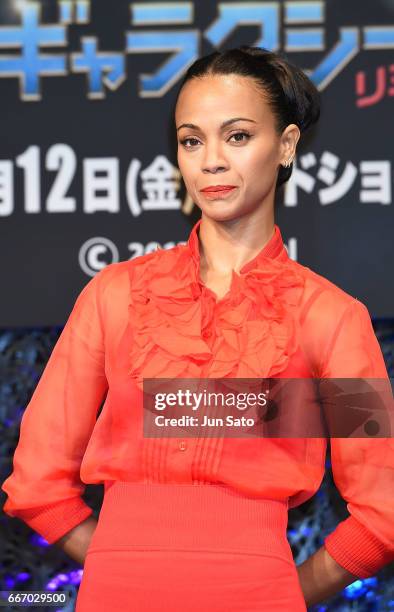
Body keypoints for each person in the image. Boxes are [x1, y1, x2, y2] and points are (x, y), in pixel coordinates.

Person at [2, 45, 394, 611]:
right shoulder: (113, 295)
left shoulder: (333, 316)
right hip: (118, 593)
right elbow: (36, 481)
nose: (210, 160)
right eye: (192, 140)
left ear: (285, 145)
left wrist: (284, 588)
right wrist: (122, 555)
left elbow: (383, 511)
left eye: (236, 136)